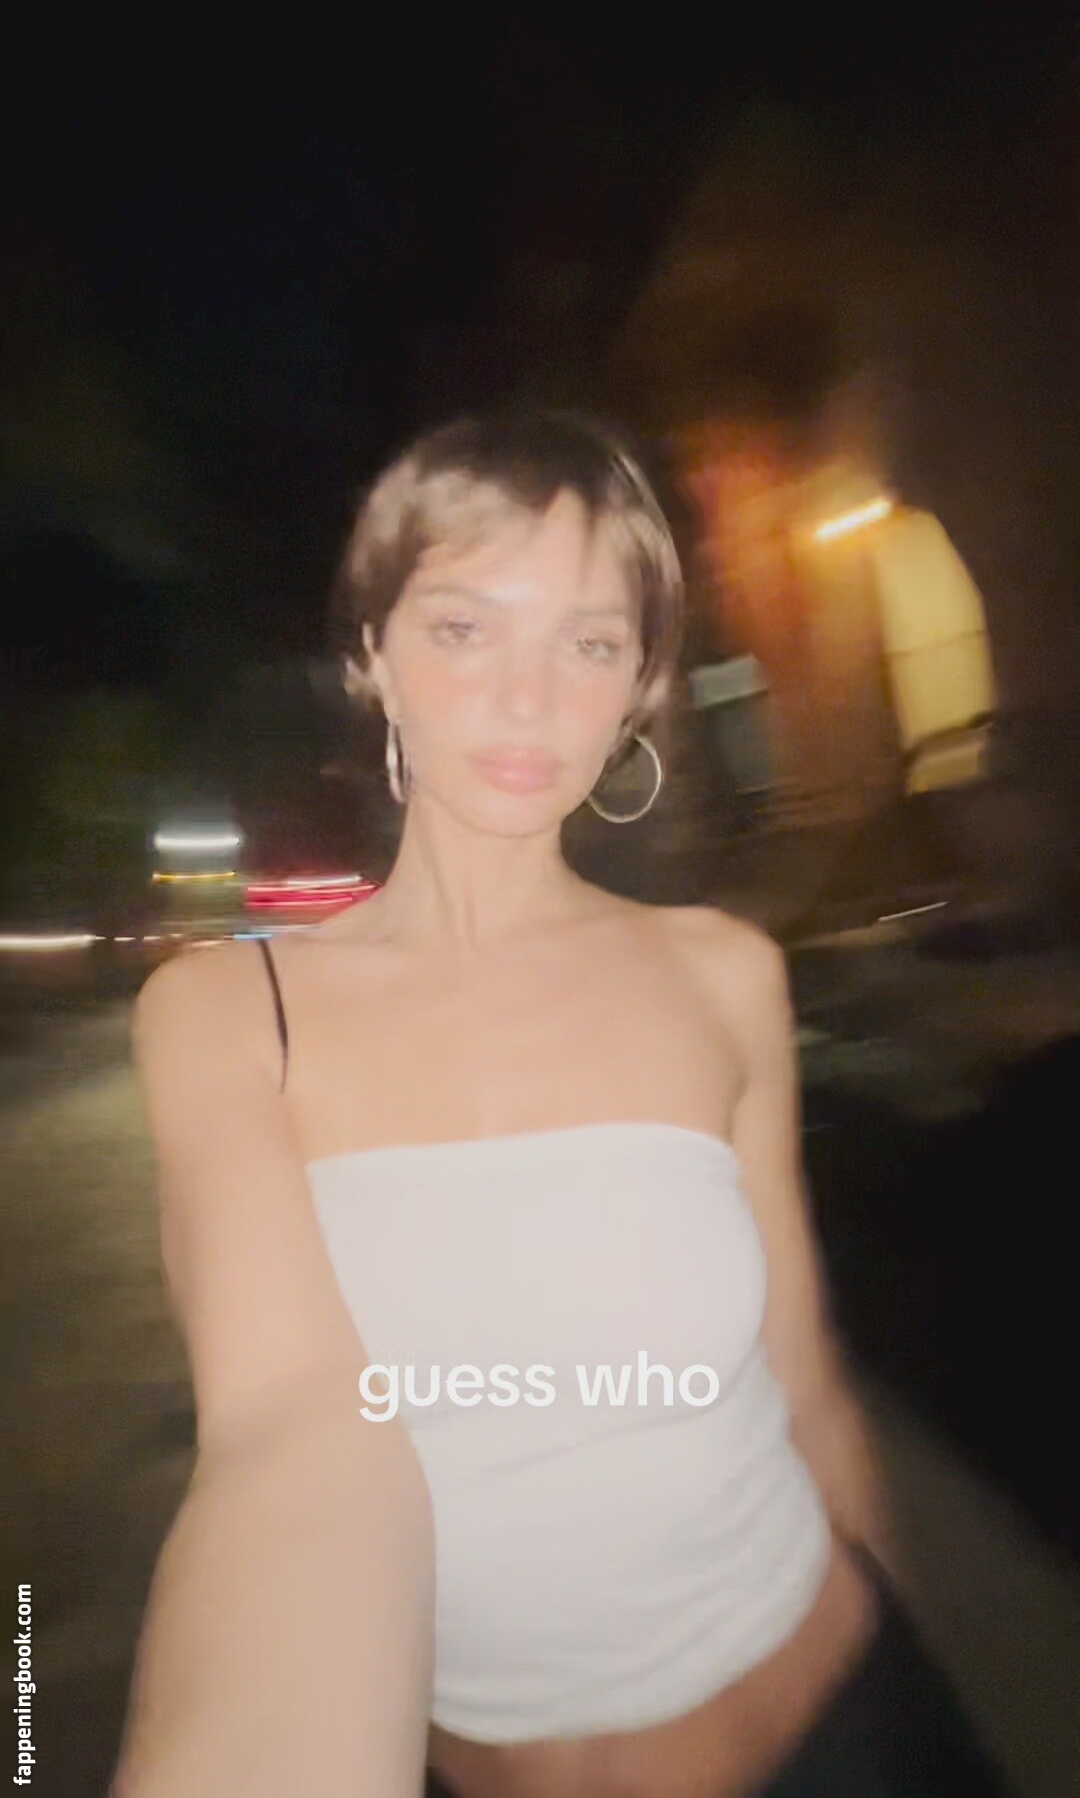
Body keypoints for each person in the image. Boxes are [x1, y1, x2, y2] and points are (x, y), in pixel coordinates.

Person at [113, 411, 1009, 1796]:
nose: (527, 700)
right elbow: (284, 1442)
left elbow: (803, 1376)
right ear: (374, 652)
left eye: (589, 645)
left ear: (639, 687)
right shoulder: (230, 1017)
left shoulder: (721, 974)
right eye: (465, 629)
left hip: (845, 1729)